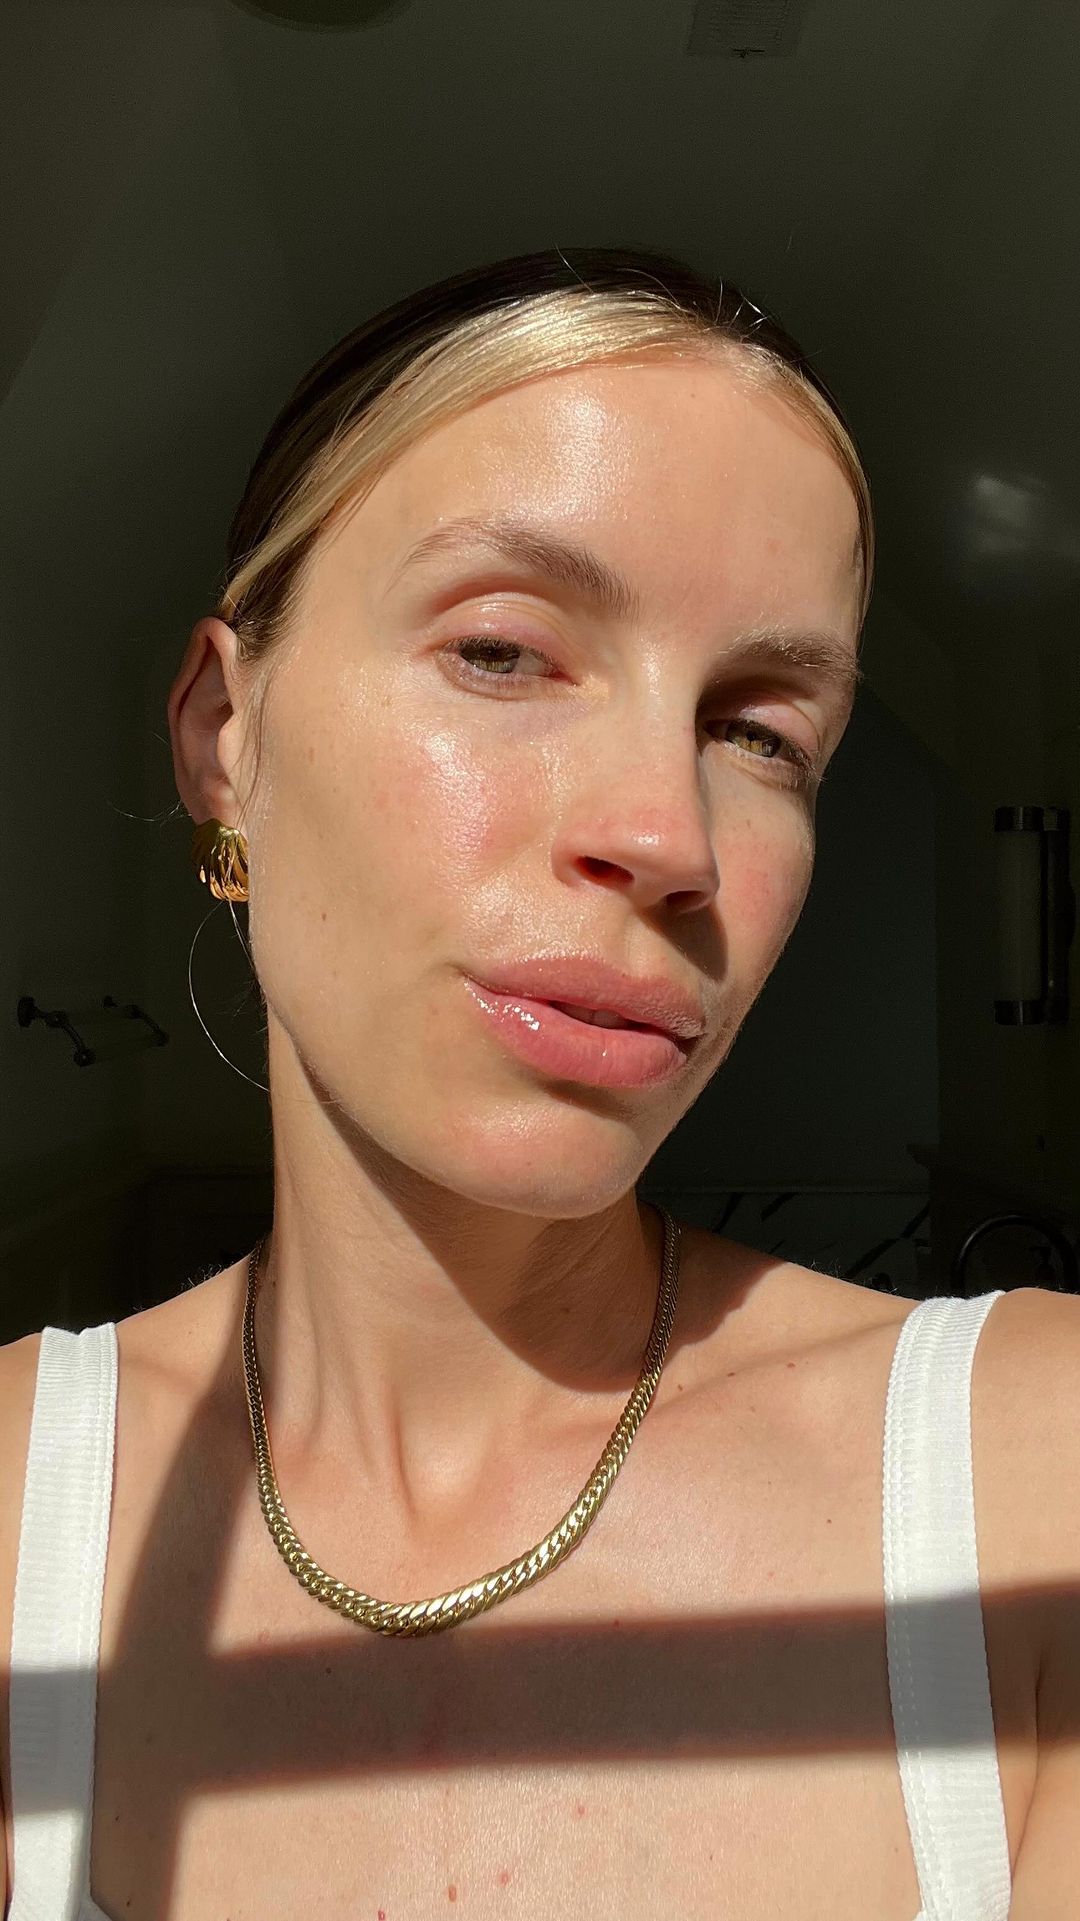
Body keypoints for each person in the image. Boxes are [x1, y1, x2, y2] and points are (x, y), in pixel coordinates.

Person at [1, 247, 1077, 1919]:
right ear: (226, 735)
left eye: (763, 730)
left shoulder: (1034, 1482)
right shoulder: (22, 1520)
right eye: (503, 651)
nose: (668, 832)